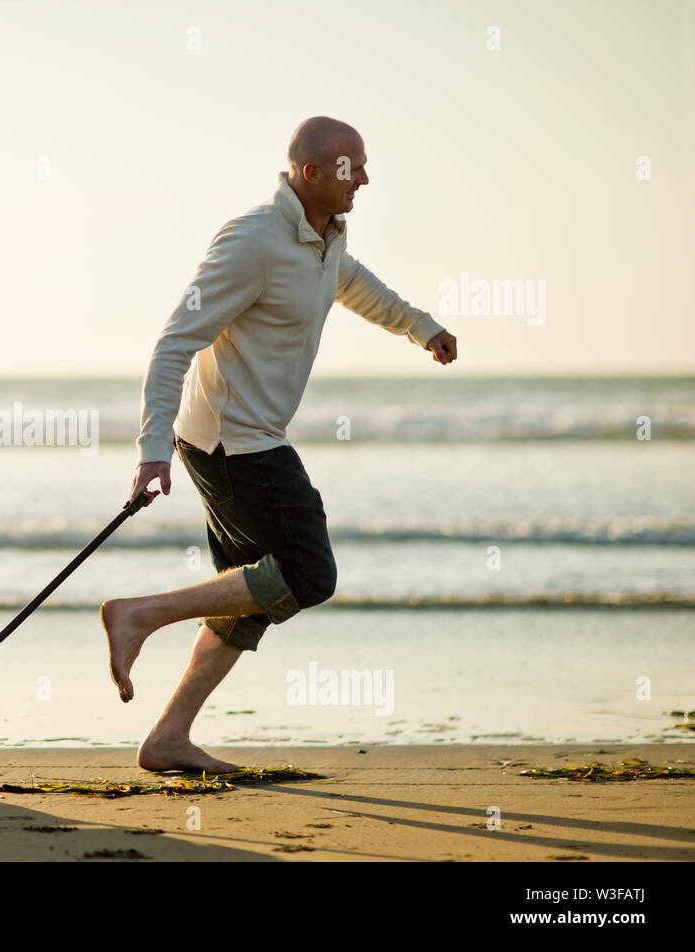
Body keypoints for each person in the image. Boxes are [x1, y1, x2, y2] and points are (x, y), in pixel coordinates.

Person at [103, 116, 459, 773]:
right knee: (306, 573)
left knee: (252, 598)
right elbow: (175, 340)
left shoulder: (324, 242)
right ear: (311, 173)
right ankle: (139, 615)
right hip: (234, 443)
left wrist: (423, 328)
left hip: (247, 439)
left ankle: (168, 739)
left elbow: (358, 288)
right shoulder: (253, 241)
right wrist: (151, 447)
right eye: (352, 167)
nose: (366, 177)